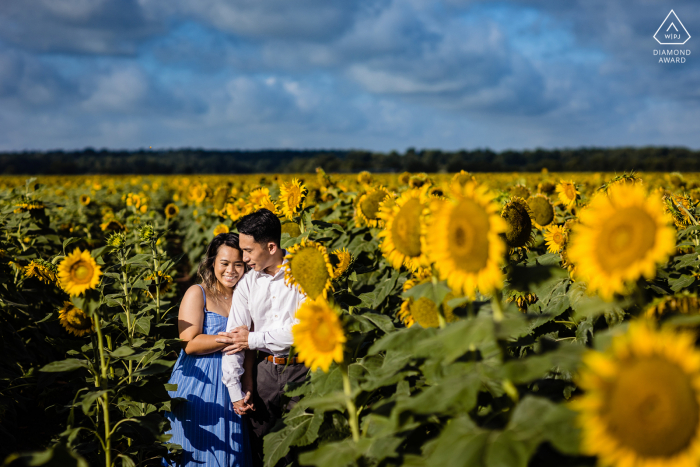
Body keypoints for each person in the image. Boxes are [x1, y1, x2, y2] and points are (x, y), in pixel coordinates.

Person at [218, 208, 309, 467]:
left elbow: (303, 331)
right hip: (265, 372)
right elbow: (234, 338)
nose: (244, 258)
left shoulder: (303, 272)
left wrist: (253, 339)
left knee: (302, 445)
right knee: (263, 448)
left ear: (271, 247)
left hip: (304, 369)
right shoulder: (248, 284)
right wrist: (235, 390)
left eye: (248, 251)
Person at [163, 233, 254, 467]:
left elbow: (250, 347)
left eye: (238, 264)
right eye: (224, 263)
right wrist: (231, 339)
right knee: (197, 450)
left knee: (229, 453)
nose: (231, 270)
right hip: (198, 384)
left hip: (230, 387)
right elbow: (189, 343)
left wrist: (248, 385)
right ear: (212, 262)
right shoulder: (198, 293)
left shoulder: (245, 297)